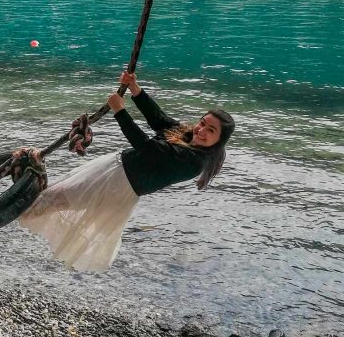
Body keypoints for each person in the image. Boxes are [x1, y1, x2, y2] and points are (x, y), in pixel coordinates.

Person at [18, 70, 235, 273]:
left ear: (219, 140)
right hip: (114, 170)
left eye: (211, 130)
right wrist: (135, 89)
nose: (201, 130)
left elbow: (147, 147)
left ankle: (9, 214)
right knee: (53, 197)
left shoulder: (193, 162)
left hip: (117, 186)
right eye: (202, 123)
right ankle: (13, 212)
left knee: (53, 200)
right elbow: (159, 119)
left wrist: (119, 111)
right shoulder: (188, 135)